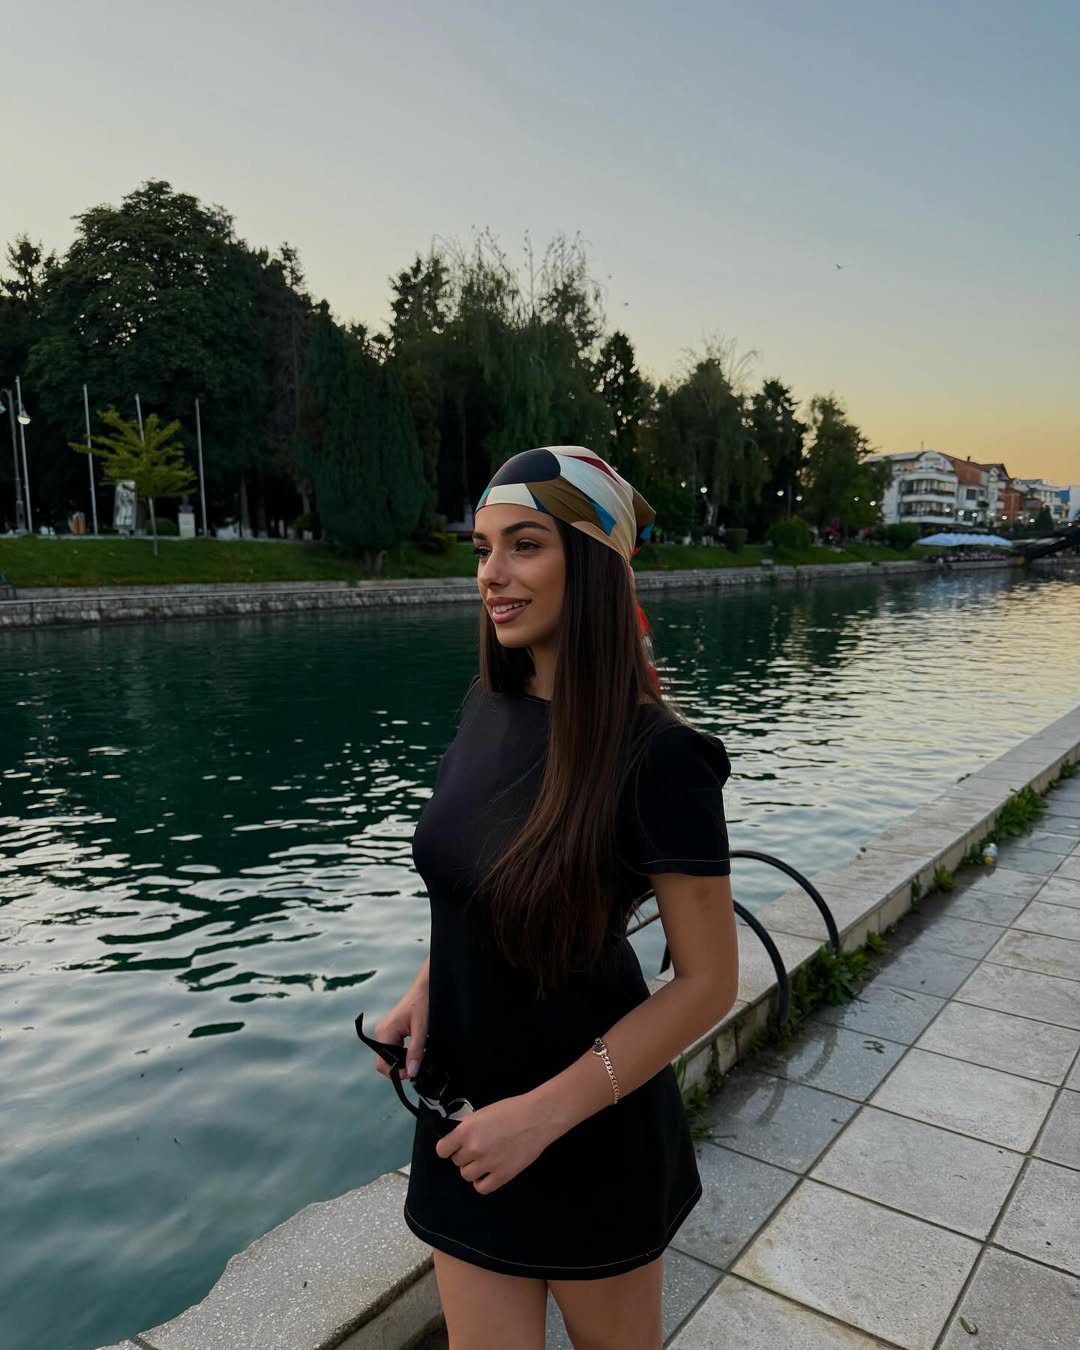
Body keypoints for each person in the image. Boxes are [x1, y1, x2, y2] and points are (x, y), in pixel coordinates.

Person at [369, 446, 739, 1349]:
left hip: (589, 1134)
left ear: (595, 565)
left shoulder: (660, 756)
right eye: (483, 549)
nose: (492, 574)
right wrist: (427, 988)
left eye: (525, 545)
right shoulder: (484, 709)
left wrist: (540, 1117)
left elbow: (708, 983)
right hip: (464, 1126)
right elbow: (472, 886)